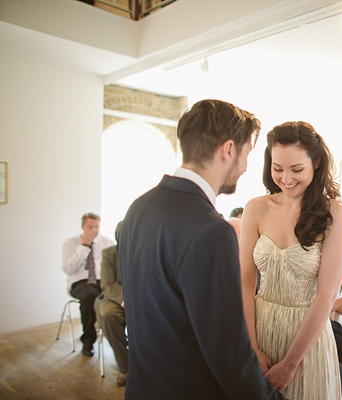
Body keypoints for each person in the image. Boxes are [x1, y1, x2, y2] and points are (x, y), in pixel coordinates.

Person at [118, 99, 286, 400]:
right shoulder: (211, 231)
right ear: (229, 149)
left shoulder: (138, 208)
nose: (247, 167)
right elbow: (230, 357)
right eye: (248, 153)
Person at [240, 121, 342, 399]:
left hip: (306, 340)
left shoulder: (335, 214)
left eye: (296, 169)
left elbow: (326, 295)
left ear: (316, 162)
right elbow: (244, 283)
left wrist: (290, 365)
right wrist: (251, 346)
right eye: (278, 168)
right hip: (261, 329)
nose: (286, 178)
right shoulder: (256, 208)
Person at [62, 212, 114, 357]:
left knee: (114, 294)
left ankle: (116, 336)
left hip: (101, 280)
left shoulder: (107, 243)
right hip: (79, 283)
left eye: (96, 227)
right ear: (82, 226)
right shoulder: (70, 244)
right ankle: (88, 340)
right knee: (91, 295)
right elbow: (68, 269)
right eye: (90, 226)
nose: (93, 230)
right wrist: (84, 246)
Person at [97, 221, 127, 387]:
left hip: (139, 297)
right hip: (114, 298)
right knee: (109, 316)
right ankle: (125, 367)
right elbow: (108, 284)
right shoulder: (109, 253)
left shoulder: (144, 252)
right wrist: (126, 301)